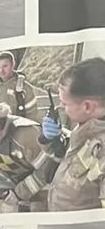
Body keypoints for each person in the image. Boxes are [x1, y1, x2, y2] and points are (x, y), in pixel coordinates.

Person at [42, 57, 105, 212]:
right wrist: (52, 141)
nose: (60, 107)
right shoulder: (86, 130)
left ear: (87, 106)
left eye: (65, 104)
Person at [0, 51, 40, 119]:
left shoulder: (24, 87)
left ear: (13, 65)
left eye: (5, 66)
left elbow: (32, 114)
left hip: (19, 124)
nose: (2, 71)